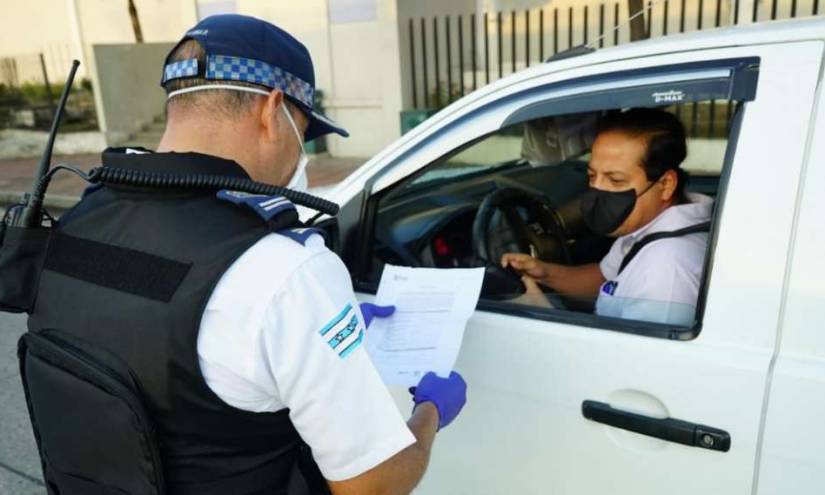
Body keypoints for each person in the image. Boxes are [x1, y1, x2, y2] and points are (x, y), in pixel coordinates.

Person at [28, 14, 466, 495]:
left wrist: (301, 337)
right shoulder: (284, 270)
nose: (300, 156)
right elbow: (373, 484)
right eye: (304, 130)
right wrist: (430, 413)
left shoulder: (79, 221)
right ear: (272, 110)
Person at [502, 108, 713, 326]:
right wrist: (545, 272)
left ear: (666, 184)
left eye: (616, 180)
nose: (598, 190)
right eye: (592, 176)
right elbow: (605, 279)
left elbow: (633, 358)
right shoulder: (647, 224)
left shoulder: (665, 274)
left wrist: (542, 314)